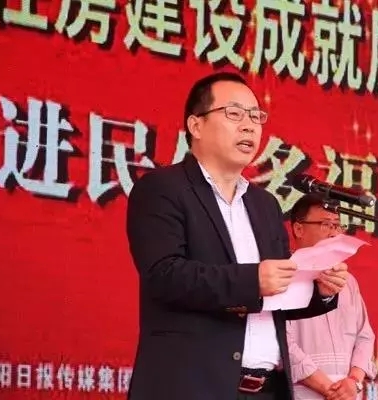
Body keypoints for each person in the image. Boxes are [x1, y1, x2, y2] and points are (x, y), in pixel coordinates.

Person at [126, 71, 349, 400]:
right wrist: (252, 281)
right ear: (196, 125)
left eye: (256, 116)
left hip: (267, 390)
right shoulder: (162, 189)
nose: (249, 126)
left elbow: (277, 296)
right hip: (193, 389)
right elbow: (164, 275)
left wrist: (320, 290)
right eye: (234, 114)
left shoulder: (265, 205)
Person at [285, 194, 376, 400]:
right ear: (298, 229)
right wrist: (330, 389)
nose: (334, 232)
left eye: (337, 225)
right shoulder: (284, 275)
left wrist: (354, 380)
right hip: (301, 394)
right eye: (326, 224)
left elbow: (365, 336)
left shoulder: (348, 281)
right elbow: (283, 343)